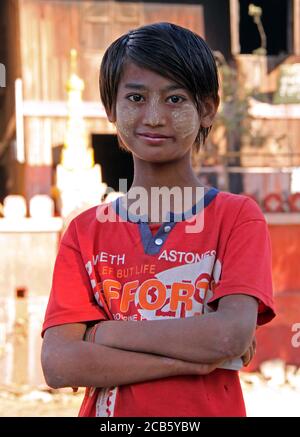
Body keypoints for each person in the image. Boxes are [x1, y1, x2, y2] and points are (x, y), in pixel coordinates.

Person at [41, 22, 275, 417]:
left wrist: (101, 334)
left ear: (206, 110)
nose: (153, 117)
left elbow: (227, 336)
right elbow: (60, 363)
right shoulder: (85, 232)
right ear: (111, 110)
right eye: (135, 97)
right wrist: (189, 358)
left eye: (175, 99)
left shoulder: (236, 218)